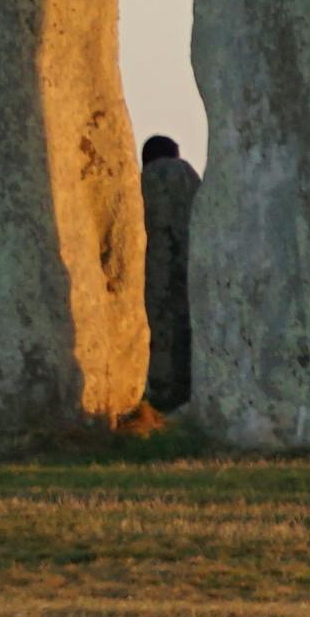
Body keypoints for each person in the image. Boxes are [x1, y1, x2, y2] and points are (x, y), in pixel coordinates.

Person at [136, 132, 201, 418]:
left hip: (150, 285)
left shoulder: (139, 187)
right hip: (191, 279)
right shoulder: (188, 181)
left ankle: (156, 398)